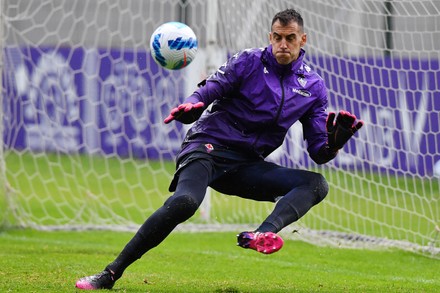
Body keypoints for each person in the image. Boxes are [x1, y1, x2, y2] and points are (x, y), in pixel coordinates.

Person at [75, 8, 363, 290]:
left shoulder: (313, 87)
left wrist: (334, 144)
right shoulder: (248, 61)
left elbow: (318, 152)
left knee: (316, 184)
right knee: (186, 202)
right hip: (207, 147)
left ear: (303, 40)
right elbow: (211, 88)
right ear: (270, 36)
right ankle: (109, 274)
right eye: (277, 37)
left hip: (246, 165)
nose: (282, 44)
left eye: (289, 38)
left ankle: (262, 234)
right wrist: (192, 105)